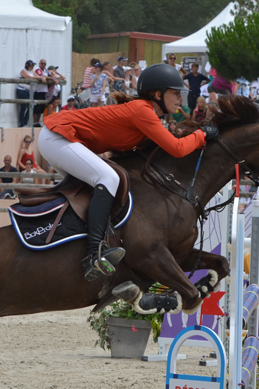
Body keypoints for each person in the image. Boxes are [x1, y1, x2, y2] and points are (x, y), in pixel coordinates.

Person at [38, 63, 215, 284]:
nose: (179, 98)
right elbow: (177, 149)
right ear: (157, 94)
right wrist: (202, 134)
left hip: (60, 138)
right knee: (108, 178)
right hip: (58, 136)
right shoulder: (143, 111)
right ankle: (94, 254)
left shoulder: (146, 113)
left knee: (92, 189)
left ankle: (77, 243)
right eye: (174, 92)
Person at [17, 60, 40, 128]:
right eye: (31, 65)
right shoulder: (23, 71)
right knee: (23, 107)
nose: (32, 67)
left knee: (31, 106)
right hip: (22, 90)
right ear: (28, 65)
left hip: (29, 91)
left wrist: (38, 77)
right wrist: (38, 77)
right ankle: (22, 123)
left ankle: (25, 122)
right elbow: (28, 77)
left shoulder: (32, 71)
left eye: (33, 65)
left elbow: (38, 76)